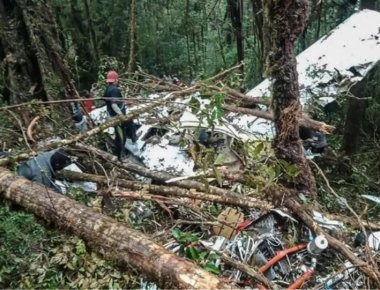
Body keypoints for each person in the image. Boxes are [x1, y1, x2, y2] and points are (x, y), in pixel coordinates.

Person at [103, 70, 137, 160]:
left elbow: (110, 101)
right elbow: (114, 104)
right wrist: (121, 115)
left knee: (129, 125)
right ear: (115, 80)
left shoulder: (108, 88)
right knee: (121, 137)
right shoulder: (114, 90)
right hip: (117, 117)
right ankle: (120, 156)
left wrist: (123, 101)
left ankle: (128, 145)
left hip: (112, 114)